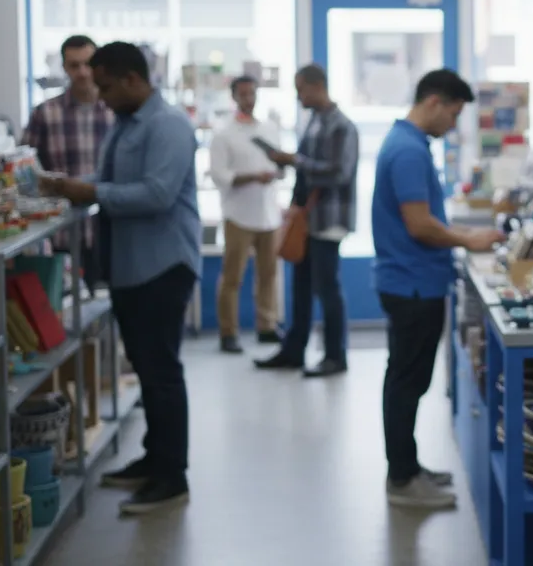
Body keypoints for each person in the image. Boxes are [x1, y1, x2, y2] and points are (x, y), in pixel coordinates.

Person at [40, 41, 200, 515]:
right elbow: (111, 177)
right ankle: (154, 458)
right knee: (148, 370)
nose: (100, 95)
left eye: (106, 86)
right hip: (131, 268)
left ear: (133, 79)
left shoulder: (168, 125)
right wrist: (67, 185)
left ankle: (172, 478)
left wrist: (88, 190)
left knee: (162, 372)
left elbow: (156, 194)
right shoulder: (126, 123)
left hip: (163, 266)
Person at [373, 69, 505, 509]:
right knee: (406, 382)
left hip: (411, 281)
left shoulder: (407, 144)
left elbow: (428, 219)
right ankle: (402, 480)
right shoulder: (408, 150)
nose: (453, 123)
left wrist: (462, 231)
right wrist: (468, 239)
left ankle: (408, 467)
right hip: (412, 285)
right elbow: (419, 225)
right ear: (433, 101)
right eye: (453, 112)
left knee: (408, 379)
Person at [255, 64, 360, 378]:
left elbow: (339, 172)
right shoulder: (313, 122)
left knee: (327, 289)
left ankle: (334, 356)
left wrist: (295, 160)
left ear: (317, 86)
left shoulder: (343, 126)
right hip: (306, 220)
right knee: (300, 287)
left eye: (301, 88)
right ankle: (293, 350)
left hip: (329, 220)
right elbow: (307, 167)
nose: (299, 95)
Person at [22, 34, 113, 293]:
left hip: (106, 231)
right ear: (64, 67)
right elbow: (27, 172)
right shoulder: (45, 113)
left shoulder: (115, 111)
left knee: (105, 310)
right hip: (60, 232)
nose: (83, 72)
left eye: (88, 64)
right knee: (64, 310)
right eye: (74, 65)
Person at [208, 75, 284, 354]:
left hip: (268, 214)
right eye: (243, 94)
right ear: (234, 97)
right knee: (232, 277)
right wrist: (252, 177)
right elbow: (220, 174)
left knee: (268, 274)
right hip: (238, 214)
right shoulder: (223, 134)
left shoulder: (269, 128)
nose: (248, 99)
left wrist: (275, 173)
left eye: (252, 93)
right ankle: (228, 332)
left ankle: (267, 325)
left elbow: (280, 164)